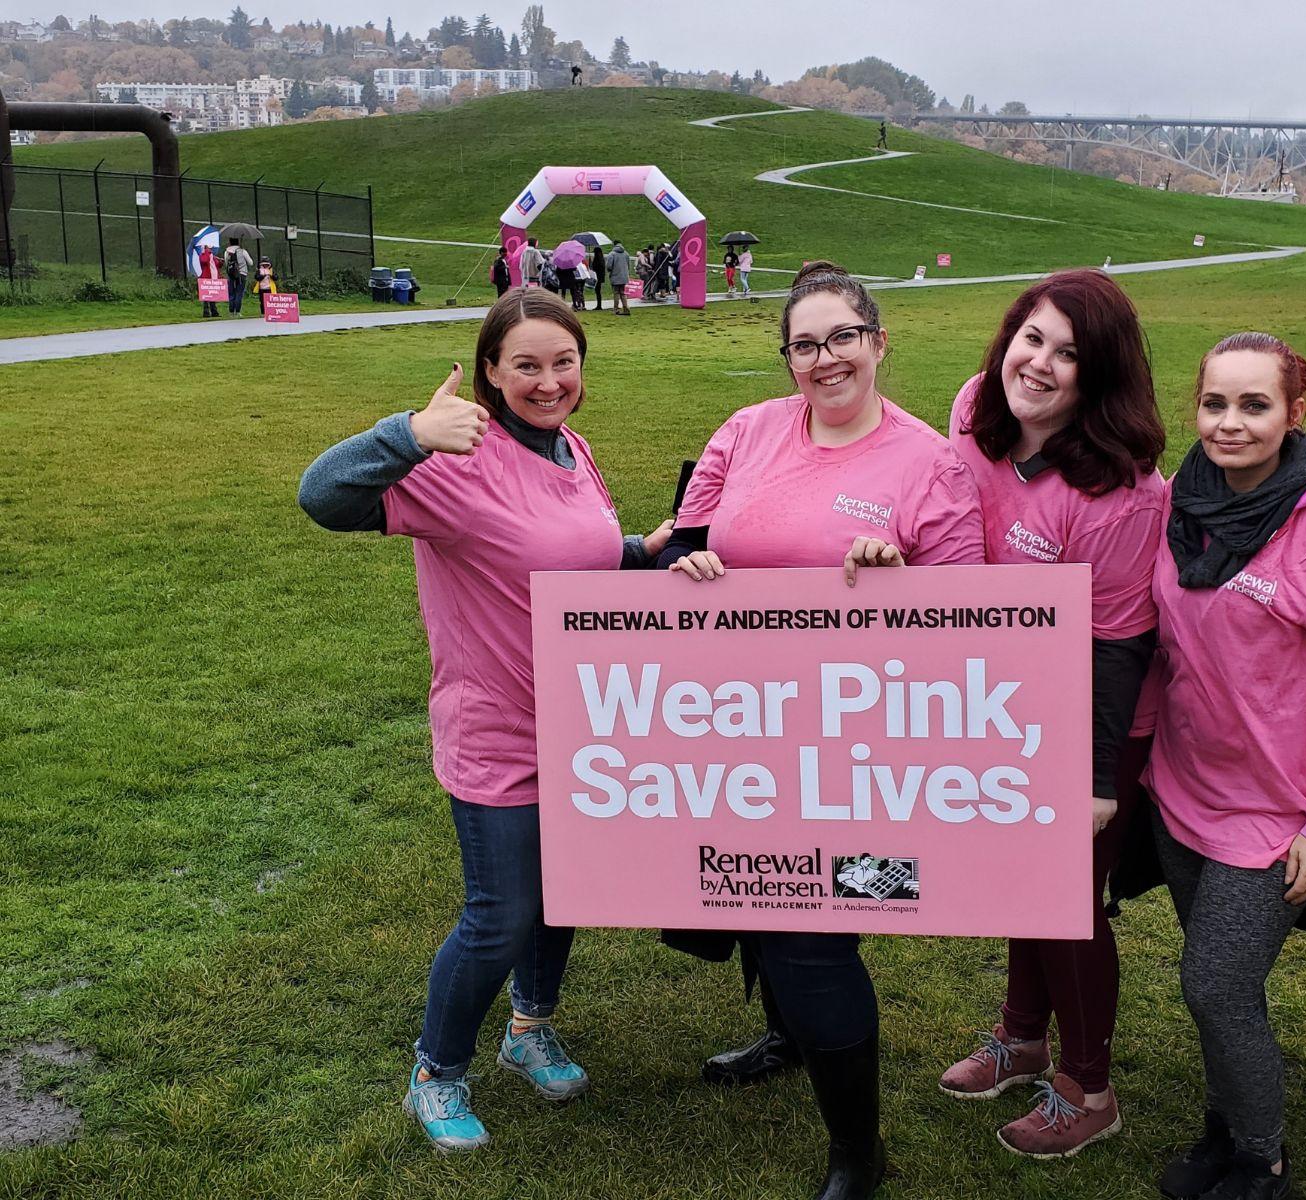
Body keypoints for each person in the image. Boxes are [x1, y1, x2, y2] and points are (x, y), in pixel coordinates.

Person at [297, 289, 673, 1152]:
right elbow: (321, 497)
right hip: (496, 732)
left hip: (579, 726)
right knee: (499, 916)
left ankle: (529, 1029)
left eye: (564, 362)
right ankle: (436, 1073)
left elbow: (563, 558)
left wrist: (638, 554)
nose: (549, 381)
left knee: (560, 896)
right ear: (491, 373)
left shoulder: (571, 447)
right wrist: (408, 434)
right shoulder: (458, 461)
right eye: (526, 365)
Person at [661, 261, 985, 1200]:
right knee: (757, 901)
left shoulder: (932, 465)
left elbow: (973, 630)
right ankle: (789, 1035)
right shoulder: (747, 431)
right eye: (804, 344)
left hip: (864, 749)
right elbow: (690, 543)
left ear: (879, 343)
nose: (824, 358)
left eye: (843, 336)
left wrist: (901, 590)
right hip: (740, 728)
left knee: (816, 935)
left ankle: (856, 1151)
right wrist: (691, 569)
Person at [1147, 332, 1306, 1200]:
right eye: (1215, 403)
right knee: (1218, 985)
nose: (1231, 423)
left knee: (1215, 986)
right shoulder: (1179, 503)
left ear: (1296, 412)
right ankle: (1223, 1130)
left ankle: (1261, 1162)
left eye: (1255, 405)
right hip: (1181, 791)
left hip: (1276, 812)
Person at [935, 270, 1166, 1158]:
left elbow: (1120, 643)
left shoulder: (1125, 492)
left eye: (1068, 354)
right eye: (1032, 338)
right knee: (1018, 879)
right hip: (1000, 701)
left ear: (1099, 375)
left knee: (1066, 897)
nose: (1038, 363)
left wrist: (1099, 778)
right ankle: (1022, 1036)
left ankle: (1088, 1087)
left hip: (1093, 714)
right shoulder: (974, 407)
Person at [223, 237, 253, 316]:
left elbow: (226, 263)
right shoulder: (243, 251)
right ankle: (238, 311)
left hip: (231, 274)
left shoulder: (226, 252)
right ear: (238, 242)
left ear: (230, 242)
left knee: (231, 293)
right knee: (239, 293)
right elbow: (251, 263)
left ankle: (231, 312)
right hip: (242, 274)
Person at [604, 241, 631, 316]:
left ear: (614, 245)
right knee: (623, 293)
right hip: (624, 276)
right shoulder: (626, 254)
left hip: (615, 276)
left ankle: (616, 309)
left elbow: (609, 266)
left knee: (616, 293)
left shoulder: (612, 254)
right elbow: (628, 265)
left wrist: (610, 271)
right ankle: (626, 308)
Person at [197, 242, 222, 318]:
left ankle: (214, 312)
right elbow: (204, 261)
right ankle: (206, 312)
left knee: (212, 295)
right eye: (208, 247)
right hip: (206, 277)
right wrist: (207, 252)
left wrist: (220, 262)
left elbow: (216, 265)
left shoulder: (212, 256)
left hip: (213, 277)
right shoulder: (203, 255)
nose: (210, 249)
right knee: (206, 296)